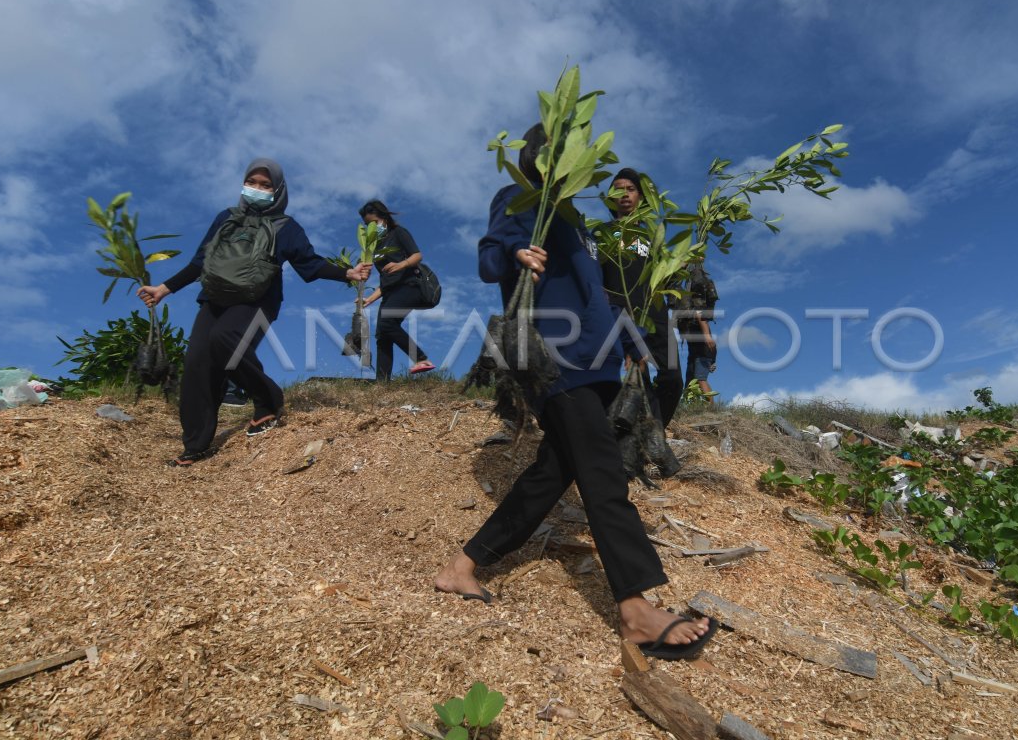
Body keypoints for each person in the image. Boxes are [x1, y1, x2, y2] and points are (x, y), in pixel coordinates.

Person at [434, 127, 715, 661]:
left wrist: (631, 339)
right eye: (562, 149)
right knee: (603, 471)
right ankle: (634, 608)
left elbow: (597, 293)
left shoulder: (579, 221)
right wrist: (518, 250)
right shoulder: (522, 200)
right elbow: (489, 260)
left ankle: (462, 566)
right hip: (555, 359)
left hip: (598, 359)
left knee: (552, 473)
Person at [138, 158, 371, 467]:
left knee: (226, 340)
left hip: (258, 301)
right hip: (214, 298)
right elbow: (200, 261)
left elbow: (310, 265)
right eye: (252, 183)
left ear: (278, 190)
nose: (257, 189)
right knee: (197, 362)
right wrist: (164, 289)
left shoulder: (287, 227)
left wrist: (348, 274)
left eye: (265, 185)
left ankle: (268, 401)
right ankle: (195, 445)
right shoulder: (226, 218)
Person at [598, 168, 684, 426]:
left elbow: (665, 276)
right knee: (638, 381)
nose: (624, 194)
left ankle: (656, 429)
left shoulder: (651, 235)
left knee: (673, 379)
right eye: (618, 189)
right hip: (621, 315)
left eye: (630, 189)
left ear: (641, 197)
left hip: (655, 314)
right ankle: (646, 440)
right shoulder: (603, 232)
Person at [358, 200, 435, 380]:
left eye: (374, 223)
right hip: (391, 291)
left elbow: (417, 255)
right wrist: (369, 299)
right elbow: (386, 282)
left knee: (387, 324)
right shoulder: (374, 248)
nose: (372, 228)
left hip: (409, 286)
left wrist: (402, 264)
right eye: (367, 225)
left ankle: (421, 359)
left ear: (383, 218)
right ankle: (382, 382)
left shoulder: (397, 233)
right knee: (382, 335)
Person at [676, 262, 718, 398]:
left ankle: (712, 409)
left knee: (700, 380)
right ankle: (693, 408)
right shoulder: (690, 306)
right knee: (690, 383)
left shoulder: (696, 305)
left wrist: (706, 336)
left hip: (702, 351)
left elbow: (701, 315)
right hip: (696, 351)